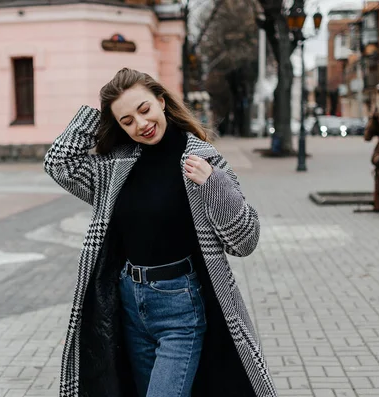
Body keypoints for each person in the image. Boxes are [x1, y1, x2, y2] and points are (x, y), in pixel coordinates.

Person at [44, 68, 278, 397]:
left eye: (144, 110)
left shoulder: (202, 161)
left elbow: (245, 241)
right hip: (128, 303)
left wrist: (215, 185)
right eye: (126, 121)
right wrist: (95, 115)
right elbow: (60, 164)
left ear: (161, 102)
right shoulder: (116, 167)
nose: (141, 124)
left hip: (181, 308)